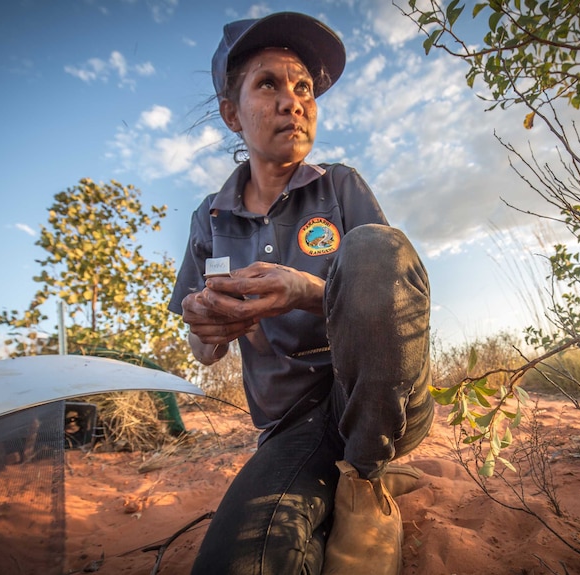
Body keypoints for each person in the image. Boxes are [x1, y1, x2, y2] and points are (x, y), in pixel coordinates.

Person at [169, 12, 434, 575]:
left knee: (373, 248)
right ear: (231, 114)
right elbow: (203, 350)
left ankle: (365, 485)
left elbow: (390, 290)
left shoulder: (340, 186)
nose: (293, 101)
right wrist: (205, 326)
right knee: (240, 561)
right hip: (292, 426)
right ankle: (332, 487)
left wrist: (305, 288)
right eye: (268, 84)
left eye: (304, 87)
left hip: (376, 400)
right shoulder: (209, 218)